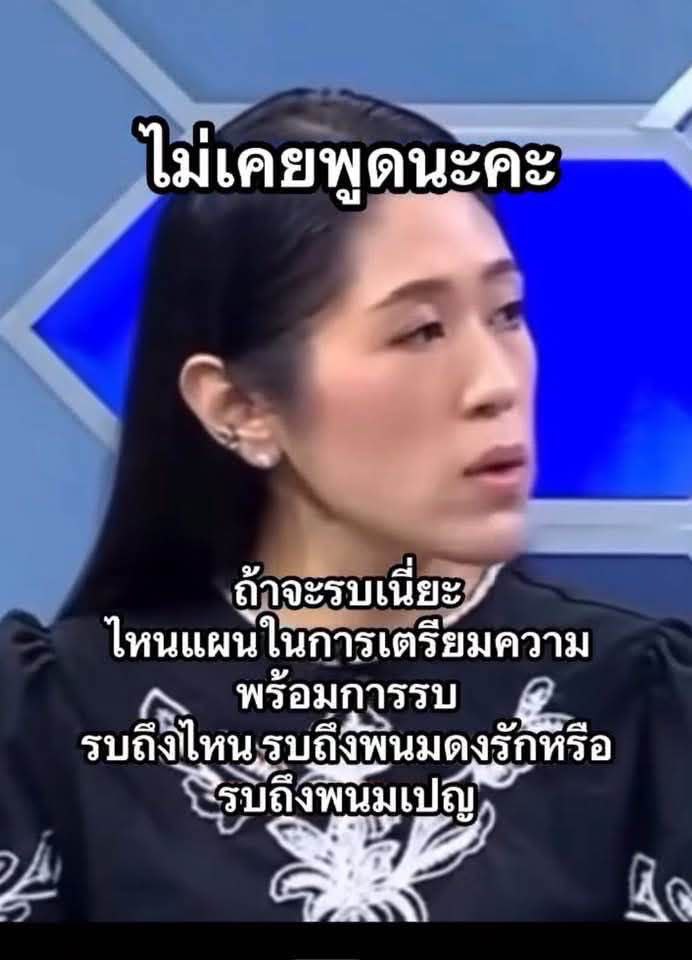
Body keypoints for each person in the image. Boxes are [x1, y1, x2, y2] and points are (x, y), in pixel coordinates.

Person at [1, 87, 691, 925]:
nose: (496, 383)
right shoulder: (56, 731)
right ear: (240, 407)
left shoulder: (643, 712)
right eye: (421, 331)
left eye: (507, 313)